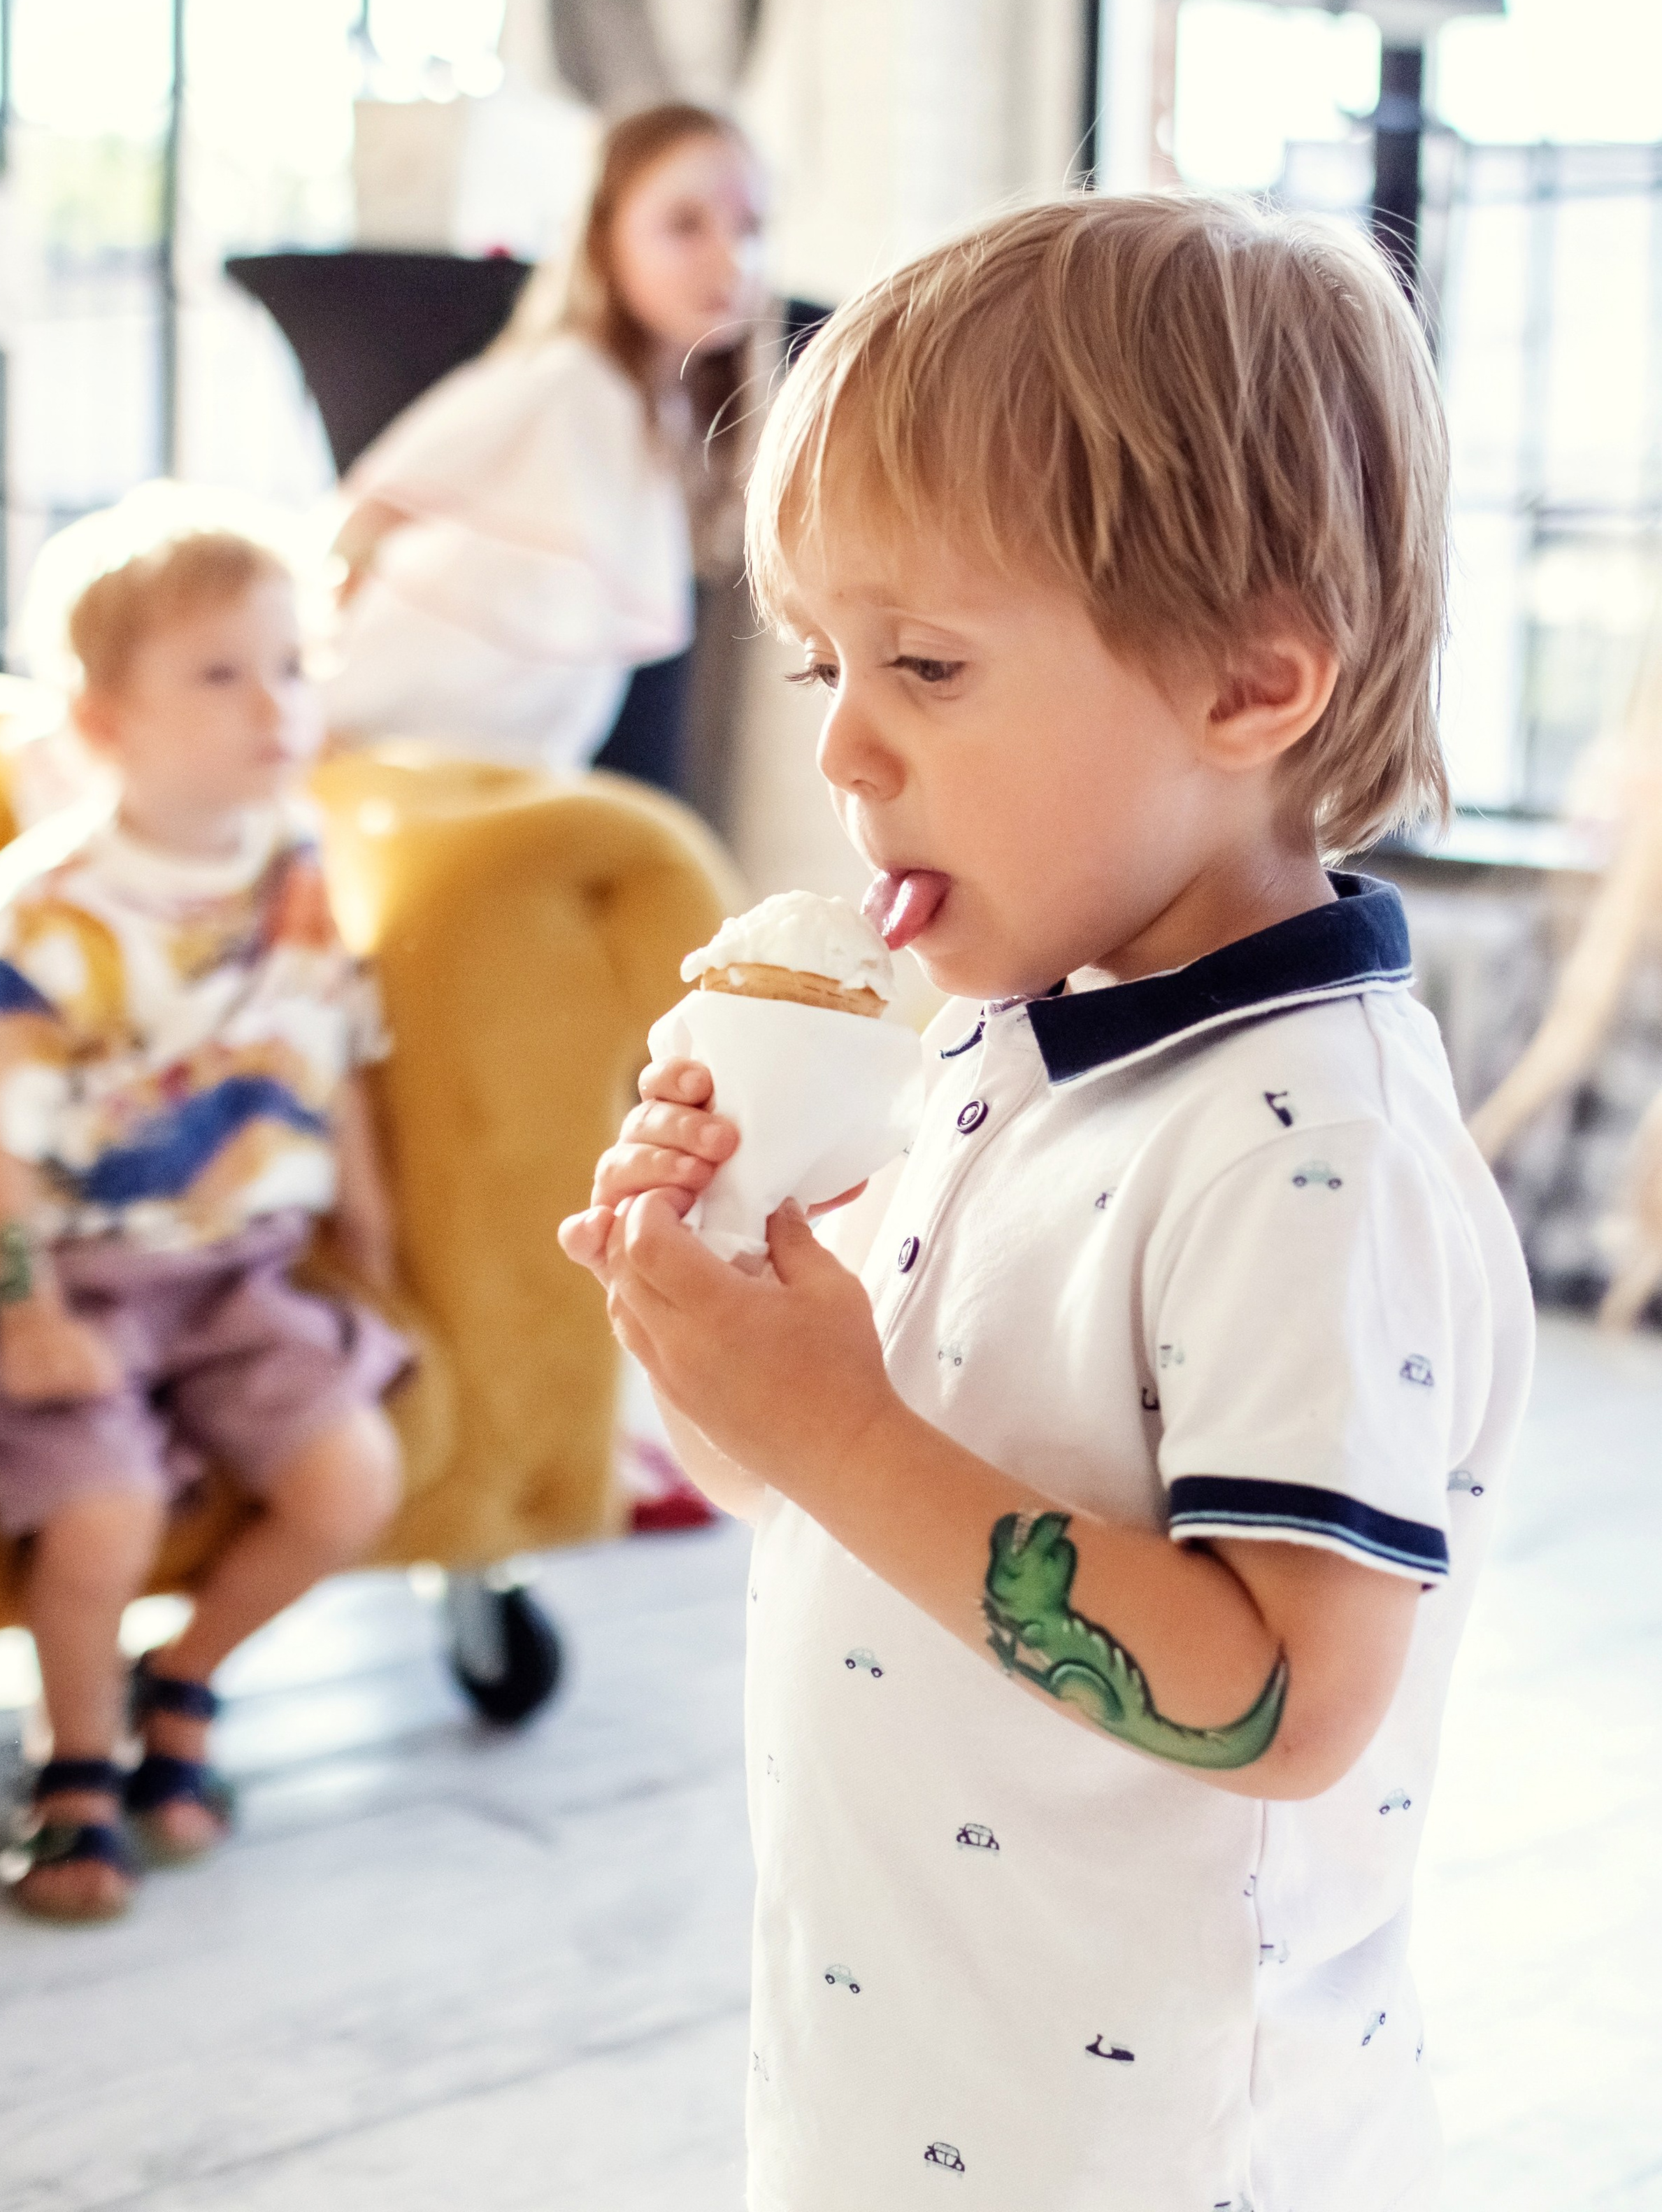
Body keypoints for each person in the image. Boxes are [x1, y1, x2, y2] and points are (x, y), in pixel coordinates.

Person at [560, 194, 1534, 2209]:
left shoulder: (1300, 1150)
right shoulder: (1012, 1038)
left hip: (1156, 2146)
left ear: (1250, 690)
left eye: (926, 662)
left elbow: (1287, 1695)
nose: (841, 747)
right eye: (826, 659)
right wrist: (726, 1324)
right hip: (906, 2065)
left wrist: (828, 1419)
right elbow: (864, 1497)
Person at [0, 531, 406, 1925]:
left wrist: (365, 1218)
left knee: (348, 1480)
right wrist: (24, 1314)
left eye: (290, 669)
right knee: (101, 1519)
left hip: (235, 1270)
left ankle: (184, 1680)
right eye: (220, 676)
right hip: (67, 1270)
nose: (276, 708)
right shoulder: (37, 914)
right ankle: (70, 1764)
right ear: (103, 723)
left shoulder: (298, 864)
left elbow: (332, 1047)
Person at [322, 101, 773, 822]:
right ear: (602, 237)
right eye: (685, 225)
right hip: (375, 740)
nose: (730, 259)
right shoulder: (564, 380)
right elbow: (370, 508)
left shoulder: (665, 425)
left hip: (498, 781)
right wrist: (314, 686)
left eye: (750, 229)